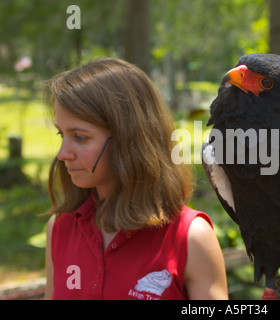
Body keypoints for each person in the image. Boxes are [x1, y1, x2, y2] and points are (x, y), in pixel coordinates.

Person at [43, 58, 228, 300]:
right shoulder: (59, 228)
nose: (62, 153)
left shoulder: (191, 237)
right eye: (61, 134)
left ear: (128, 138)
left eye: (79, 137)